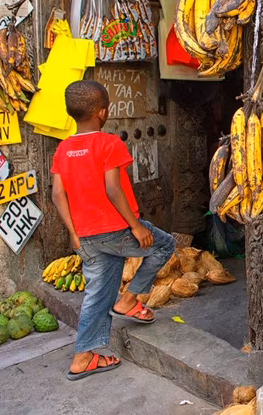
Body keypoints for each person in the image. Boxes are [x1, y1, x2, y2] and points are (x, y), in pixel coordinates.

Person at [51, 80, 175, 380]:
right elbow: (112, 188)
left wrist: (73, 231)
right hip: (117, 228)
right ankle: (130, 300)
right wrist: (135, 226)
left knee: (97, 292)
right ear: (103, 112)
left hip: (86, 236)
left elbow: (57, 194)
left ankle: (83, 357)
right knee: (163, 245)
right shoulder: (109, 143)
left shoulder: (63, 149)